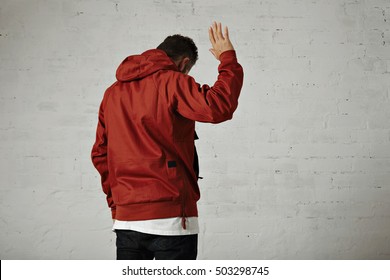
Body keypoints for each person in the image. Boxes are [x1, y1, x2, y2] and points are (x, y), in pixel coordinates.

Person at [91, 22, 244, 260]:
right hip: (171, 220)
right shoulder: (173, 82)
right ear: (184, 64)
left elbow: (100, 153)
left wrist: (117, 204)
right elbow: (218, 106)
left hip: (127, 220)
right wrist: (228, 59)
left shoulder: (112, 93)